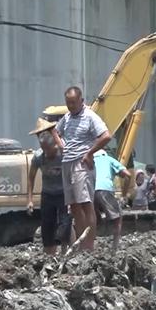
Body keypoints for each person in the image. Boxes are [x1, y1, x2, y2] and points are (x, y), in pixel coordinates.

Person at [51, 86, 111, 251]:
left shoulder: (90, 116)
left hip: (81, 163)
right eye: (68, 103)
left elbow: (106, 136)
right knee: (74, 205)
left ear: (81, 101)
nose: (70, 106)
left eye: (73, 103)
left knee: (86, 203)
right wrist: (62, 147)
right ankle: (80, 244)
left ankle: (89, 246)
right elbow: (55, 131)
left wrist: (90, 153)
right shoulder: (67, 117)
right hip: (67, 163)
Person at [27, 118, 70, 255]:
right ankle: (49, 255)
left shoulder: (63, 153)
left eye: (49, 150)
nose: (47, 153)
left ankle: (66, 252)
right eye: (44, 149)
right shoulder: (39, 157)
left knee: (65, 224)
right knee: (47, 226)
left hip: (64, 193)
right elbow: (31, 177)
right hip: (48, 194)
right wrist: (30, 199)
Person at [93, 149, 130, 251]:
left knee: (94, 219)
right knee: (118, 217)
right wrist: (124, 194)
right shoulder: (109, 159)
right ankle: (115, 246)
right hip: (104, 189)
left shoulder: (90, 160)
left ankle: (91, 244)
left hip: (89, 190)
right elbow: (128, 175)